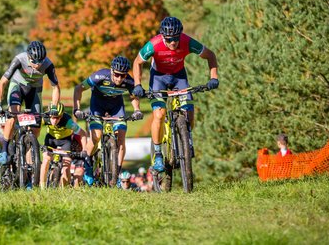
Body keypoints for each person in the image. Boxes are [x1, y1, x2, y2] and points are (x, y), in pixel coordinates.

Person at [131, 16, 219, 172]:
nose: (173, 42)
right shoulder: (154, 44)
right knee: (159, 114)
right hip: (158, 77)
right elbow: (137, 62)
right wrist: (138, 84)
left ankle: (187, 141)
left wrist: (213, 77)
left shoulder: (187, 42)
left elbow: (210, 55)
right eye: (170, 39)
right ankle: (158, 153)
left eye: (176, 38)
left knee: (189, 110)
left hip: (179, 76)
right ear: (163, 36)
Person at [73, 56, 143, 184]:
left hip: (116, 108)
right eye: (116, 74)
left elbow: (133, 96)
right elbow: (78, 88)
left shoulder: (128, 81)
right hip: (97, 106)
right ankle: (88, 167)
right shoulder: (100, 76)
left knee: (121, 138)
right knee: (96, 136)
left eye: (122, 75)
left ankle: (117, 172)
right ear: (111, 71)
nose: (119, 78)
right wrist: (76, 109)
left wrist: (137, 110)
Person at [0, 41, 60, 166]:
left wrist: (54, 107)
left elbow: (55, 87)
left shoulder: (48, 64)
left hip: (34, 91)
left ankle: (30, 167)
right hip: (17, 87)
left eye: (40, 61)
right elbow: (1, 83)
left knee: (36, 127)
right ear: (28, 57)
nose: (37, 64)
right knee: (13, 114)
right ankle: (5, 148)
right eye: (34, 61)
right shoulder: (19, 59)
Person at [40, 102, 89, 188]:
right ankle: (42, 187)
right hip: (51, 139)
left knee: (66, 165)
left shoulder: (68, 122)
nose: (54, 120)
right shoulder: (45, 118)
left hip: (65, 141)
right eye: (52, 118)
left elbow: (83, 133)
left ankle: (65, 188)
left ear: (61, 116)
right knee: (46, 160)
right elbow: (33, 127)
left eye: (57, 118)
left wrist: (84, 150)